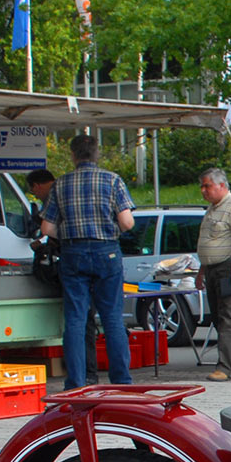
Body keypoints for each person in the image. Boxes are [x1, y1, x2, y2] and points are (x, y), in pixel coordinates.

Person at [40, 134, 136, 391]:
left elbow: (47, 227)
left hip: (73, 254)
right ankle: (121, 381)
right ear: (97, 154)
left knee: (75, 319)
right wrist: (107, 231)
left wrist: (70, 234)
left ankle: (75, 383)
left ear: (73, 155)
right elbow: (127, 223)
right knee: (112, 318)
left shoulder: (60, 184)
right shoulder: (112, 180)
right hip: (107, 253)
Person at [28, 169, 101, 385]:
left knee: (78, 321)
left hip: (72, 261)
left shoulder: (58, 193)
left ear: (36, 186)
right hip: (98, 259)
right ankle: (95, 375)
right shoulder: (82, 190)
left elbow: (48, 228)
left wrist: (51, 242)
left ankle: (81, 376)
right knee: (95, 320)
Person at [196, 168, 231, 382]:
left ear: (221, 185)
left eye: (207, 186)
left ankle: (225, 367)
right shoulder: (212, 208)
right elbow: (208, 240)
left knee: (229, 316)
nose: (203, 190)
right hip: (212, 268)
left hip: (229, 266)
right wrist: (202, 269)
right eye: (202, 186)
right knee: (224, 318)